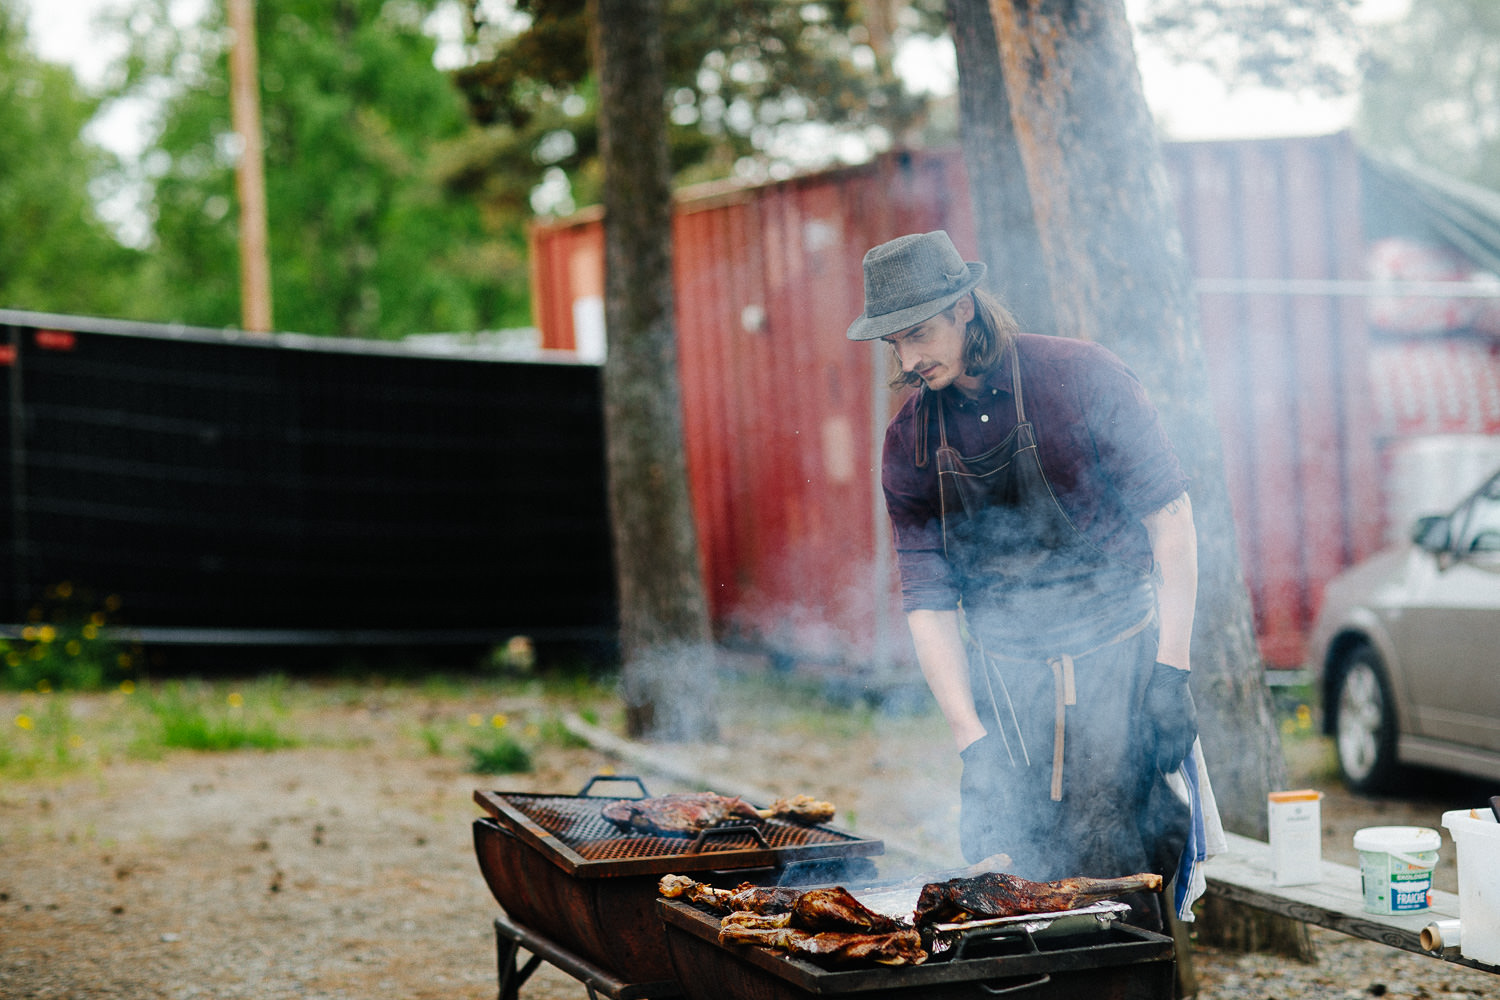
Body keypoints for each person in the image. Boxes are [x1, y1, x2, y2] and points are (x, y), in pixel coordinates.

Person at [846, 230, 1213, 930]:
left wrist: (1172, 676)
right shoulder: (910, 443)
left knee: (1129, 869)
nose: (908, 359)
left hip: (1122, 660)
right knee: (1013, 881)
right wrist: (971, 742)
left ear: (965, 310)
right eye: (893, 344)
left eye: (918, 334)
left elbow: (1172, 519)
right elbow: (927, 604)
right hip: (1006, 688)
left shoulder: (1080, 378)